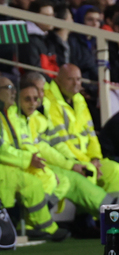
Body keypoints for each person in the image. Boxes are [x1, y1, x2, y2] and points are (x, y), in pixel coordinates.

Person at [0, 76, 69, 241]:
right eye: (9, 88)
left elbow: (26, 145)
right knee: (34, 184)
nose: (13, 92)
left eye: (13, 88)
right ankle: (47, 227)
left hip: (17, 163)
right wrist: (28, 159)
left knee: (57, 180)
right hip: (8, 165)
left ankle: (31, 223)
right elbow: (2, 149)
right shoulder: (10, 114)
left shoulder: (12, 113)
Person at [44, 64, 119, 196]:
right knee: (90, 172)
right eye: (70, 79)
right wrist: (88, 162)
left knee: (116, 170)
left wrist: (95, 158)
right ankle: (87, 216)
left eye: (78, 79)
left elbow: (91, 134)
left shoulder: (79, 99)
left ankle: (115, 215)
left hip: (87, 158)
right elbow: (62, 142)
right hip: (70, 159)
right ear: (58, 80)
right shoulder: (50, 101)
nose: (76, 83)